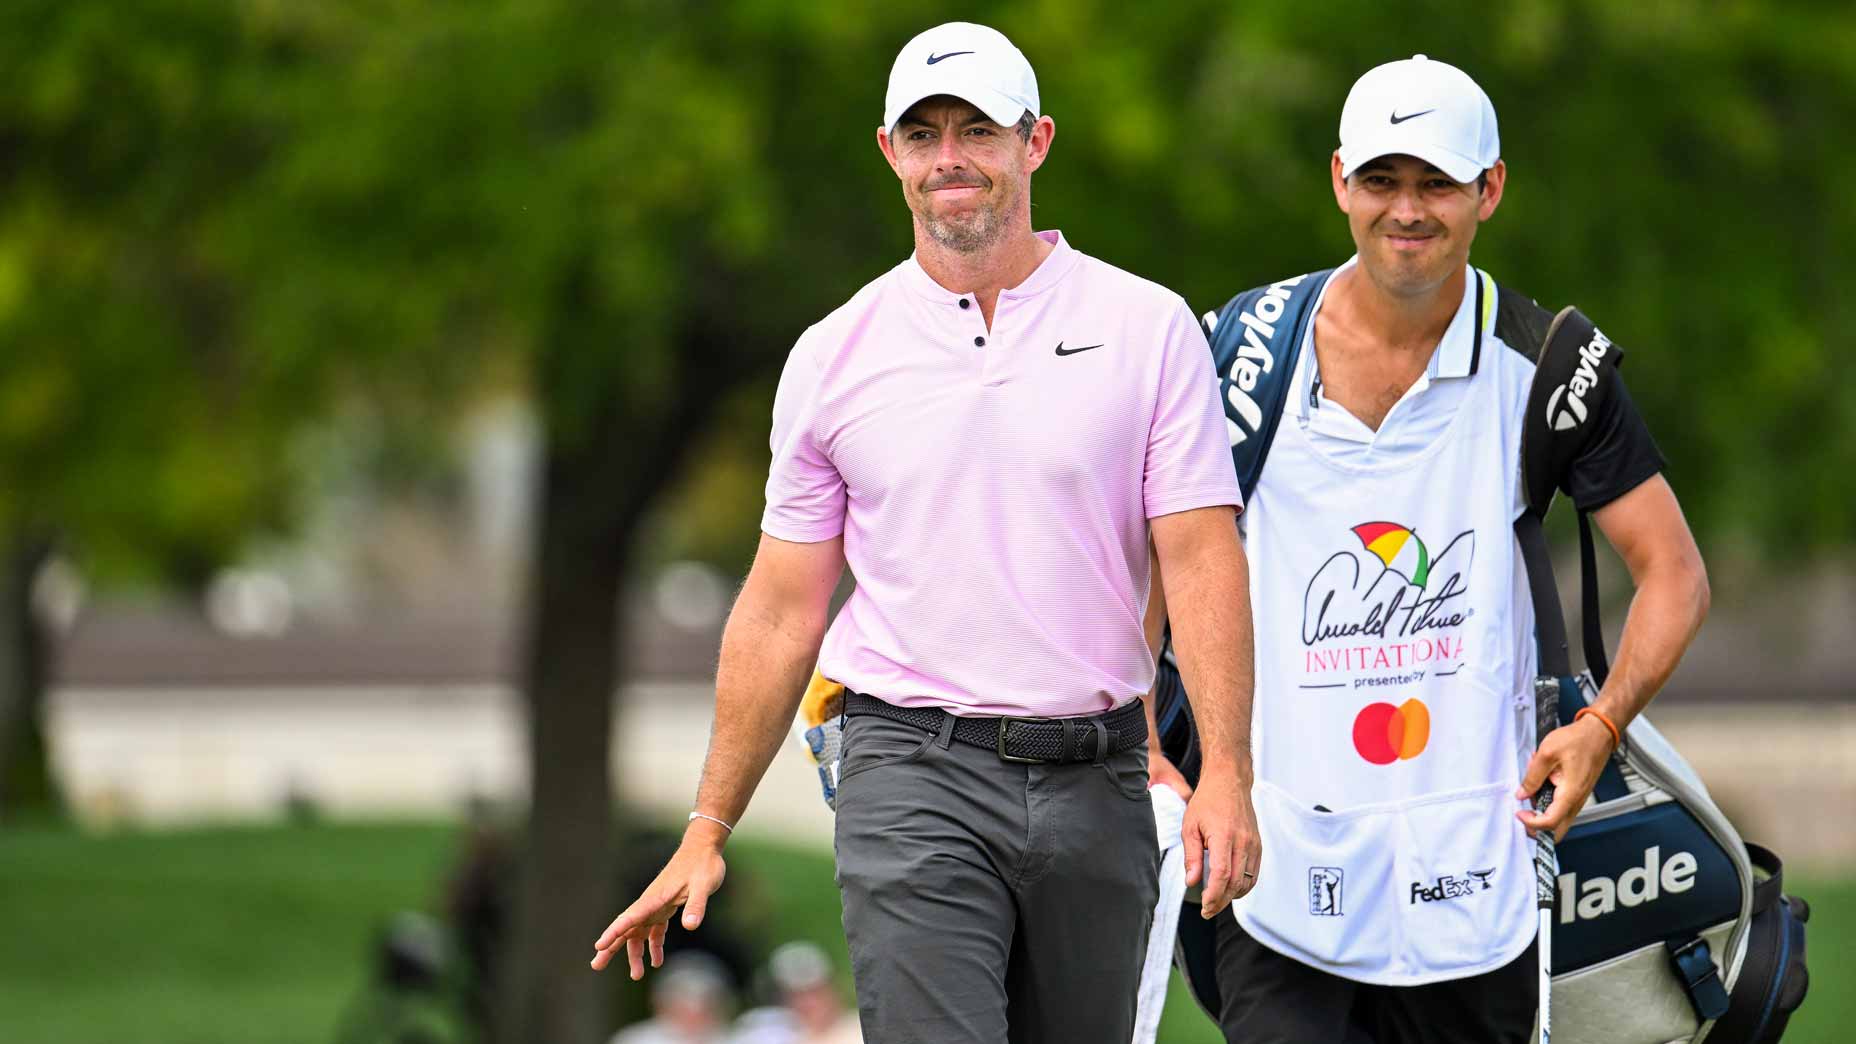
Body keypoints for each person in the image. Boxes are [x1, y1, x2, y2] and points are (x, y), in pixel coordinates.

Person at [592, 20, 1262, 1043]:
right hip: (912, 768)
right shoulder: (833, 355)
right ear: (890, 153)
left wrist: (1226, 772)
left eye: (976, 131)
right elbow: (780, 612)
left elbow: (1202, 561)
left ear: (1033, 143)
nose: (949, 158)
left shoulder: (1147, 327)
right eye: (922, 134)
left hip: (1099, 775)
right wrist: (707, 825)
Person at [1149, 55, 1711, 1044]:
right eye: (1380, 181)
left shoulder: (1546, 364)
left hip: (1478, 878)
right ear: (1337, 182)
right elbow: (1158, 551)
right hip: (1280, 871)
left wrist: (1601, 728)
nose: (1405, 210)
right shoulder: (1239, 352)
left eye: (1435, 183)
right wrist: (1152, 754)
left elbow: (1671, 572)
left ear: (1487, 189)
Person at [727, 941, 861, 1044]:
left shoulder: (861, 1028)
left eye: (814, 992)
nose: (808, 1003)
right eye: (796, 995)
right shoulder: (768, 1033)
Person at [610, 952, 734, 1044]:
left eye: (705, 1003)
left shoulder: (734, 1038)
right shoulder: (635, 1039)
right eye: (683, 1005)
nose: (693, 1013)